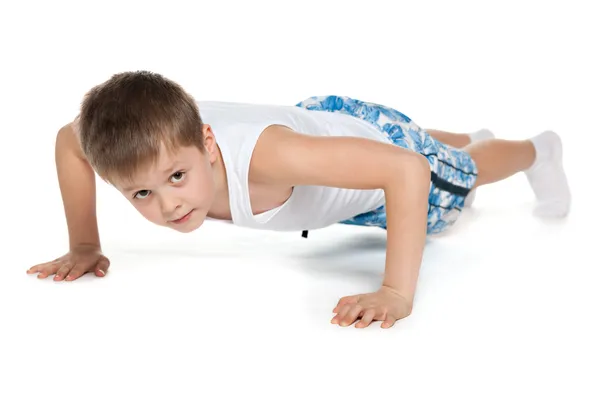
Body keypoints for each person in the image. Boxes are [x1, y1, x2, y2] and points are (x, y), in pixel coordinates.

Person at [26, 71, 571, 328]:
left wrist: (395, 291)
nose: (168, 206)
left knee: (459, 182)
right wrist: (83, 244)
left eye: (175, 177)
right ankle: (459, 140)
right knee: (404, 142)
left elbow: (406, 170)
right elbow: (67, 141)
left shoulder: (262, 160)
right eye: (141, 193)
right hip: (321, 125)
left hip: (384, 160)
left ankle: (534, 151)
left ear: (207, 143)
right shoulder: (141, 141)